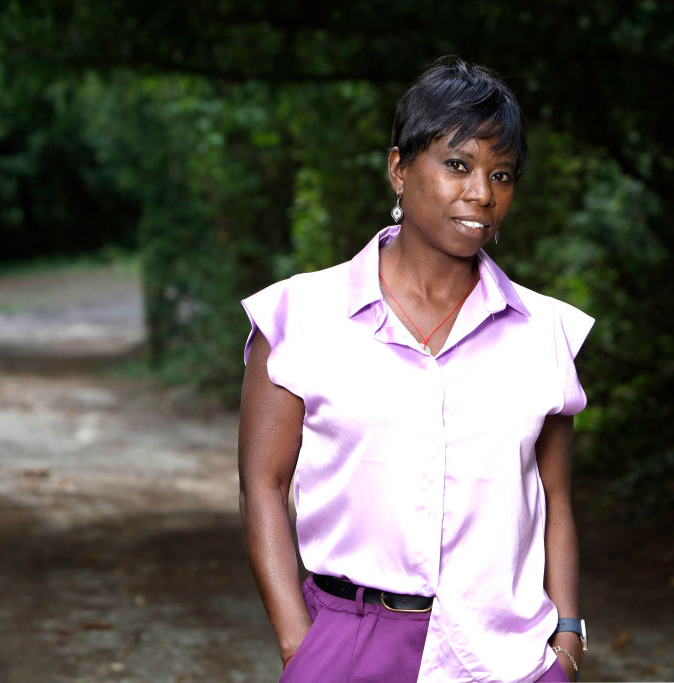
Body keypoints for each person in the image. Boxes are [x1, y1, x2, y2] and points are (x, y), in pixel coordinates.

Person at [238, 57, 593, 683]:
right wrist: (299, 647)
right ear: (399, 170)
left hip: (505, 656)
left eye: (501, 174)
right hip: (351, 643)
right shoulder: (299, 316)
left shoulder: (544, 332)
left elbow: (555, 498)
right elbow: (263, 486)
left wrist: (566, 639)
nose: (481, 193)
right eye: (457, 165)